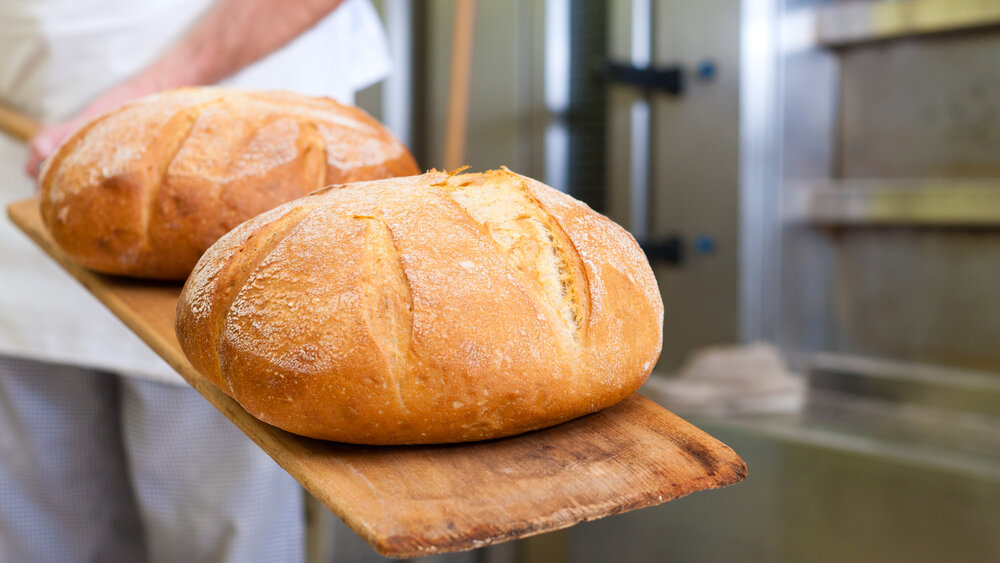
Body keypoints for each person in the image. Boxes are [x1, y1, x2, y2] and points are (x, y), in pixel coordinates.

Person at [0, 0, 392, 560]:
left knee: (217, 536)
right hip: (17, 173)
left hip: (239, 175)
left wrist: (147, 102)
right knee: (44, 534)